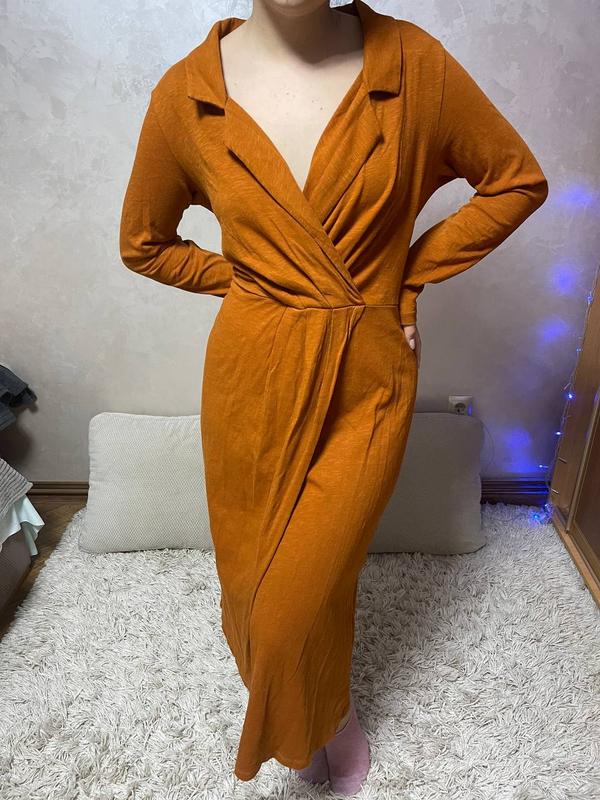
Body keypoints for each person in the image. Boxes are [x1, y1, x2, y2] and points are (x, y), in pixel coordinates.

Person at [119, 0, 548, 793]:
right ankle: (322, 705)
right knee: (249, 593)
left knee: (295, 597)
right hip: (250, 376)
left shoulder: (414, 66)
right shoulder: (186, 95)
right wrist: (245, 281)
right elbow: (143, 242)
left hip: (369, 370)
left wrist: (410, 277)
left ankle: (327, 711)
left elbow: (515, 181)